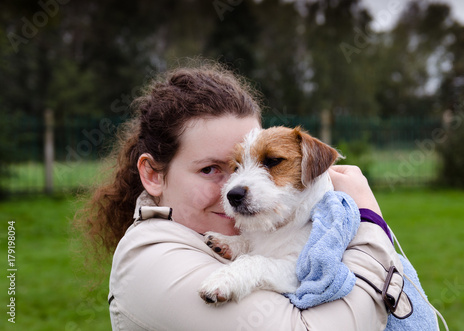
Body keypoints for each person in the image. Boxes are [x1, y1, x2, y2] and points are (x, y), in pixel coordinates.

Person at [77, 61, 407, 330]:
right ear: (152, 174)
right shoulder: (153, 264)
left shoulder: (250, 231)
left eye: (241, 165)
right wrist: (369, 223)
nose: (233, 188)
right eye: (209, 169)